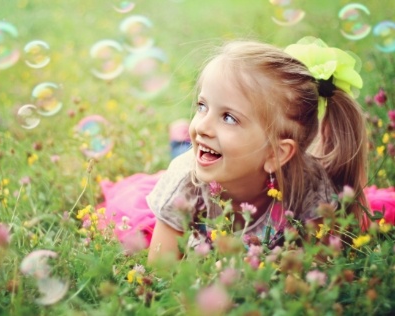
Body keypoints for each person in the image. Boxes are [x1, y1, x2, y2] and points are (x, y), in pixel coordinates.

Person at [97, 37, 378, 264]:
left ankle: (179, 139)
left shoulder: (309, 184)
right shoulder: (183, 185)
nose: (203, 125)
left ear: (276, 154)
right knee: (184, 157)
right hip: (197, 167)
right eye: (202, 106)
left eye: (229, 117)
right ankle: (178, 141)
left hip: (214, 159)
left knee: (198, 147)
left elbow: (317, 265)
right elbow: (160, 270)